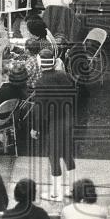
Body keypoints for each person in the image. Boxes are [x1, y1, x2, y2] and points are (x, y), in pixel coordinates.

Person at [32, 49, 78, 201]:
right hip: (68, 119)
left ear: (40, 63)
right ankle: (72, 189)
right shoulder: (63, 76)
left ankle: (55, 193)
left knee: (53, 156)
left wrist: (35, 128)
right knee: (66, 154)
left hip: (55, 123)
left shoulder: (40, 82)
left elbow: (39, 108)